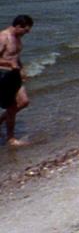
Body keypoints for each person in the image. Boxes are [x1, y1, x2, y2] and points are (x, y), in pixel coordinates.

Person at [1, 15, 33, 147]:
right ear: (18, 26)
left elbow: (15, 55)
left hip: (14, 74)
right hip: (3, 75)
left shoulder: (18, 37)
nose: (27, 33)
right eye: (26, 30)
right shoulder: (3, 37)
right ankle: (10, 138)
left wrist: (21, 69)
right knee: (12, 107)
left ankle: (2, 121)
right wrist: (10, 64)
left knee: (24, 101)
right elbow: (8, 59)